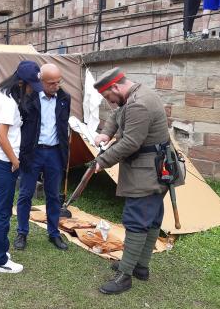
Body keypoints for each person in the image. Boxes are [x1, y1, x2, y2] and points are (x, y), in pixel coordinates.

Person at [91, 68, 170, 295]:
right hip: (157, 168)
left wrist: (102, 161)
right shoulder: (136, 93)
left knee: (136, 220)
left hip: (147, 172)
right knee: (152, 218)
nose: (110, 102)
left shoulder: (138, 104)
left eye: (108, 97)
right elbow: (117, 114)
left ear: (115, 87)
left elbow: (130, 143)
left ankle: (125, 275)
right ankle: (141, 267)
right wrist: (106, 133)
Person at [0, 60, 43, 274]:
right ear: (20, 83)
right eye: (30, 86)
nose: (31, 91)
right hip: (3, 163)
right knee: (2, 212)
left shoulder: (0, 94)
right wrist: (15, 160)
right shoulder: (9, 102)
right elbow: (1, 135)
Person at [14, 63, 71, 251]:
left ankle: (54, 233)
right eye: (52, 83)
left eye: (58, 82)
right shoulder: (29, 98)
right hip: (33, 152)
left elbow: (63, 128)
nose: (56, 86)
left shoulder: (64, 98)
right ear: (41, 81)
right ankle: (22, 232)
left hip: (55, 153)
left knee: (54, 195)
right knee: (25, 194)